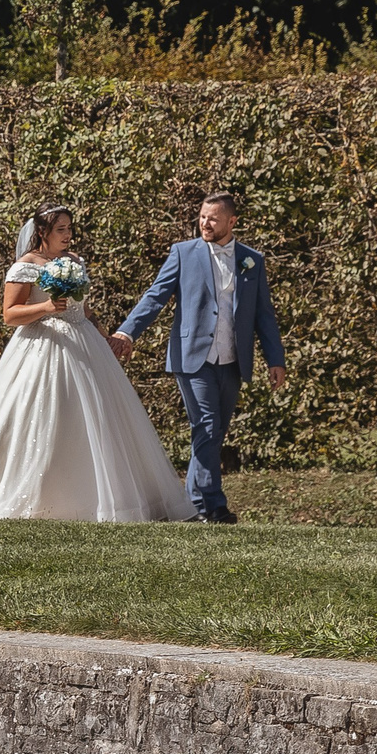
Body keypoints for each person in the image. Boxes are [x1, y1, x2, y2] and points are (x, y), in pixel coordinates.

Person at [0, 206, 193, 522]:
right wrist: (47, 307)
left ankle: (110, 499)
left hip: (86, 347)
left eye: (69, 228)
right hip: (43, 346)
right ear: (42, 232)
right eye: (61, 229)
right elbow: (10, 314)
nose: (68, 235)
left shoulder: (75, 262)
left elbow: (85, 311)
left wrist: (107, 337)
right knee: (41, 414)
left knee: (100, 417)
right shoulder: (26, 266)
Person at [108, 192, 285, 524]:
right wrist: (127, 332)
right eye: (202, 216)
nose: (205, 223)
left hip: (233, 359)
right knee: (206, 424)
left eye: (214, 218)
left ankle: (190, 503)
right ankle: (212, 506)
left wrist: (275, 359)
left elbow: (264, 315)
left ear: (232, 222)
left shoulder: (251, 260)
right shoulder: (183, 253)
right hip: (193, 357)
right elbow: (155, 296)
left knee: (214, 432)